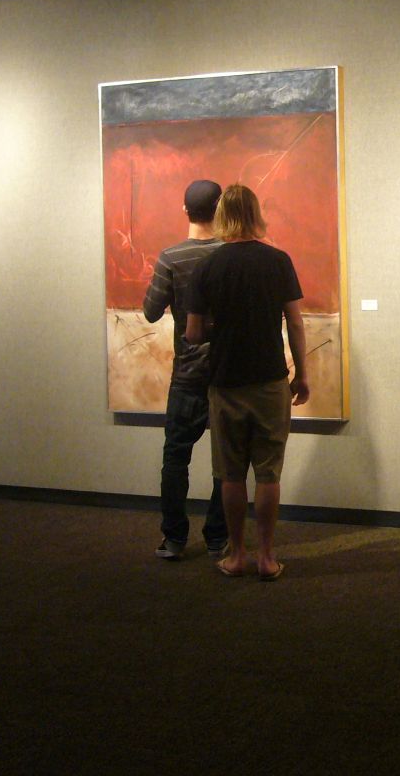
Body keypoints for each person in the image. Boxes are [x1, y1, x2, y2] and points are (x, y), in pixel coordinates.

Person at [185, 184, 309, 581]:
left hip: (225, 382)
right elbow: (295, 321)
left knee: (232, 474)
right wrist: (302, 375)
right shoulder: (277, 261)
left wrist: (220, 325)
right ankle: (268, 557)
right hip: (270, 381)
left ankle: (237, 555)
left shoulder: (207, 266)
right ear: (256, 213)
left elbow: (192, 334)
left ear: (222, 217)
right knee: (268, 473)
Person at [144, 179, 229, 561]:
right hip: (227, 374)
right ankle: (217, 538)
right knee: (226, 461)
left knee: (175, 458)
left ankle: (175, 538)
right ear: (220, 208)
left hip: (188, 374)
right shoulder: (231, 255)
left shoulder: (170, 258)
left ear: (185, 210)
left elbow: (149, 311)